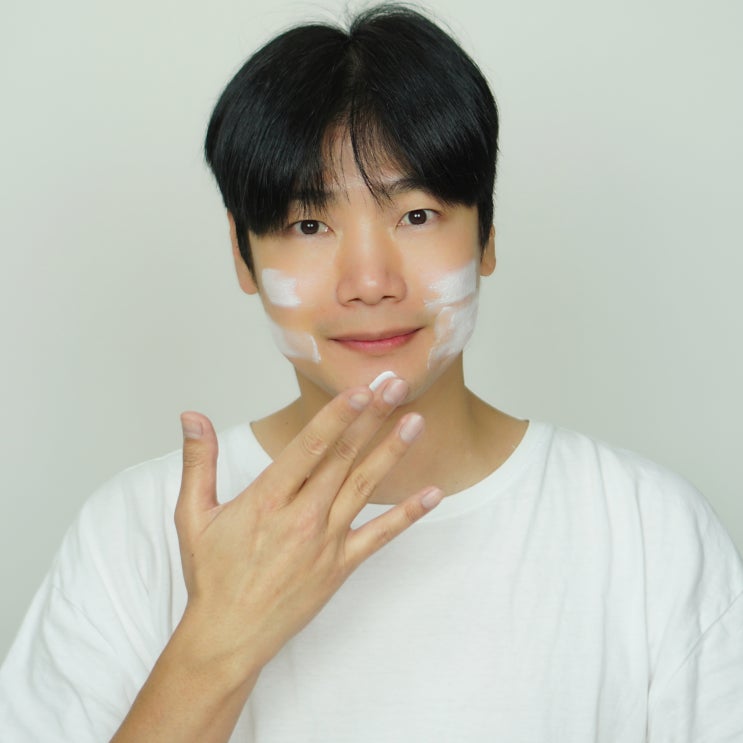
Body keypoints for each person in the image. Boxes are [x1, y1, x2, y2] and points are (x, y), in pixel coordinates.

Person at [1, 5, 742, 742]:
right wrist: (217, 641)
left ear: (486, 233)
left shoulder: (646, 531)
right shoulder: (134, 532)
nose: (369, 282)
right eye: (309, 225)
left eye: (416, 216)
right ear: (241, 254)